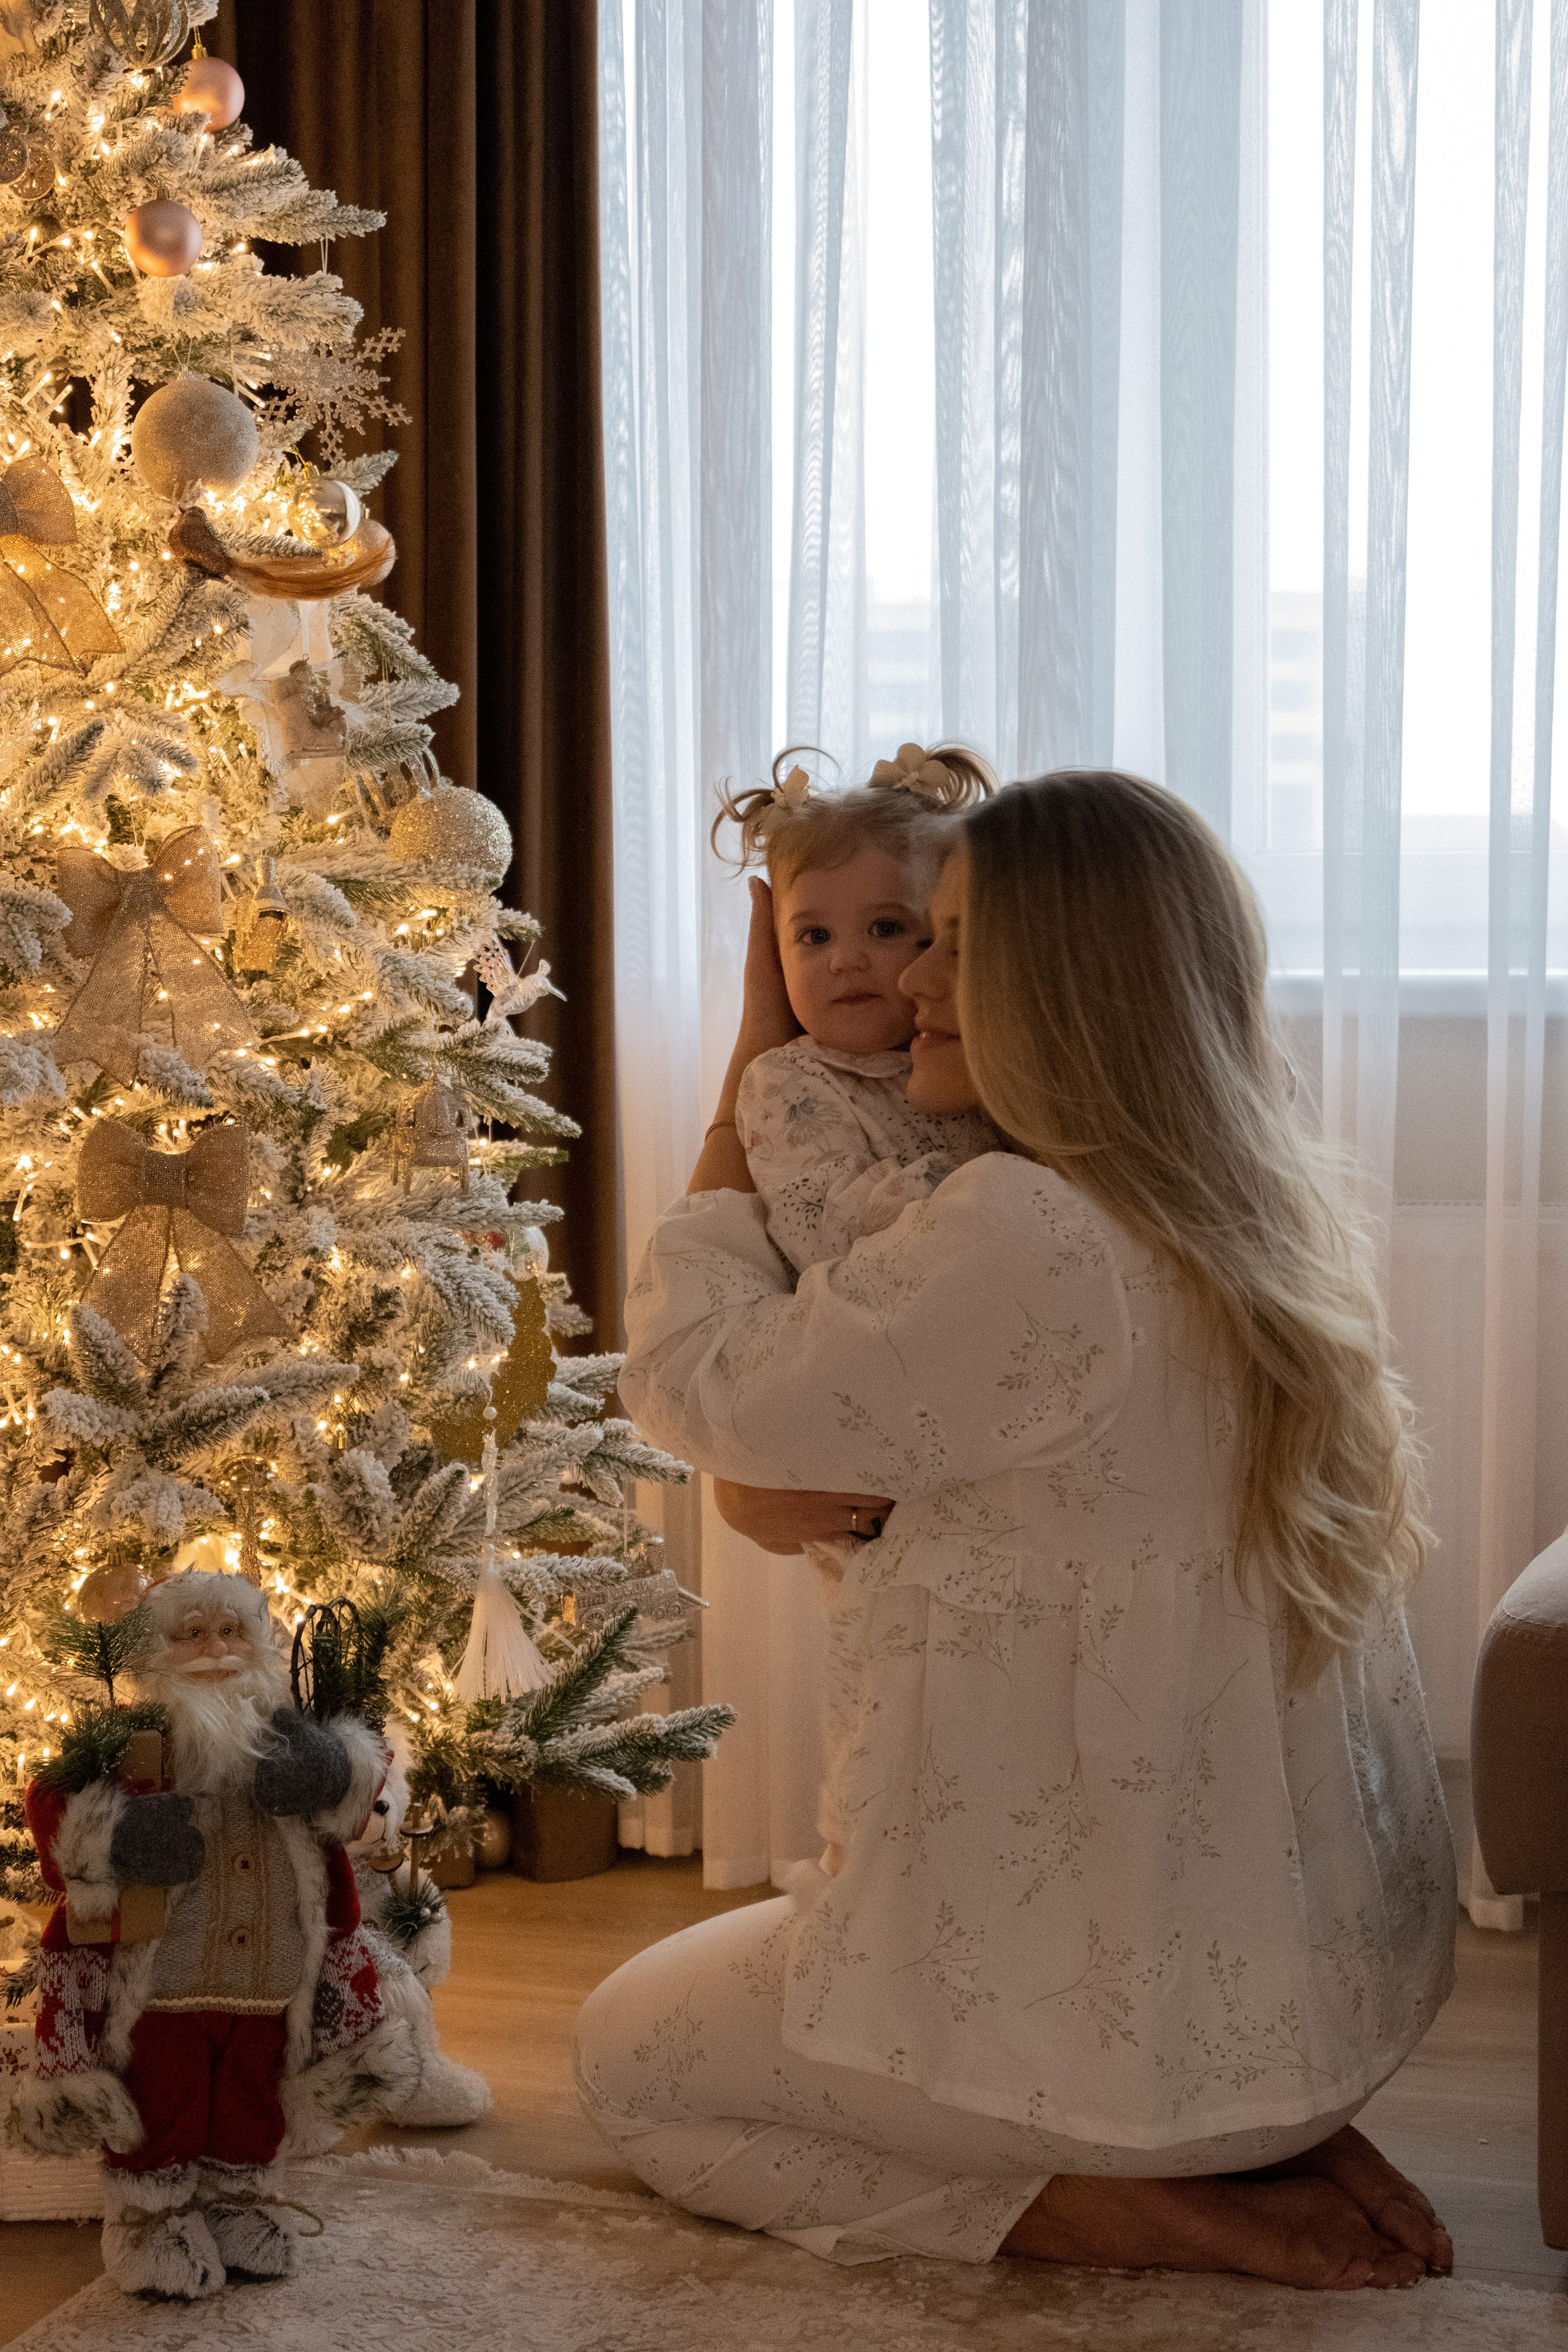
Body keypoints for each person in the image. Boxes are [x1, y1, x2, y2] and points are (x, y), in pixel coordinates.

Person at [581, 769, 1457, 2292]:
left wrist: (748, 1054)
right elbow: (989, 1498)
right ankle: (1240, 2144)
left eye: (953, 943)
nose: (908, 976)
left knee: (628, 2060)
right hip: (1321, 2019)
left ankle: (1119, 2202)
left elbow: (688, 1380)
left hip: (1135, 2071)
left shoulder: (1024, 1228)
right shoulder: (1244, 1214)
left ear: (1065, 985)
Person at [712, 738, 998, 1875]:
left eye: (890, 929)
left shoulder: (981, 1067)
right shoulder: (787, 1083)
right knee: (883, 1675)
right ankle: (862, 1865)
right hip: (856, 1428)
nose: (852, 963)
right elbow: (838, 1222)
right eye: (812, 935)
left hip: (961, 1430)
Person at [15, 1569, 415, 2299]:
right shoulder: (125, 1738)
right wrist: (120, 1837)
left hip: (271, 1976)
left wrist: (331, 1768)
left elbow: (364, 1793)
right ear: (158, 1651)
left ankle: (242, 2200)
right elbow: (52, 1807)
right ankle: (149, 2218)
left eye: (231, 1632)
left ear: (260, 1644)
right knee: (161, 2095)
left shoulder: (290, 1735)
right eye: (193, 1633)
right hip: (162, 1979)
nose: (215, 1649)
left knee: (250, 2091)